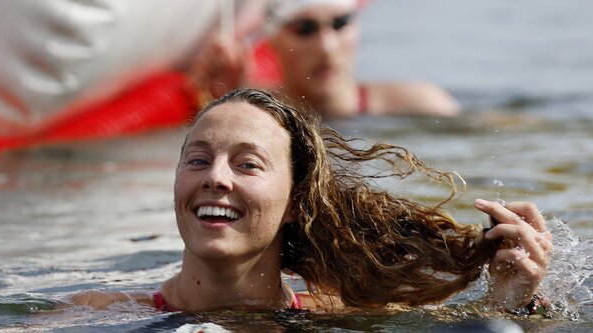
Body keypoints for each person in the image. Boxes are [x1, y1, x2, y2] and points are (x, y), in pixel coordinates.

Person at [72, 88, 552, 313]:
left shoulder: (347, 316)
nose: (215, 178)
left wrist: (510, 302)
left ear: (296, 203)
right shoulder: (100, 312)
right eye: (197, 160)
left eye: (247, 164)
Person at [189, 0, 461, 119]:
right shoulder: (249, 109)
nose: (327, 47)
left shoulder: (426, 104)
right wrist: (225, 98)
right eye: (305, 29)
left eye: (340, 24)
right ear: (271, 41)